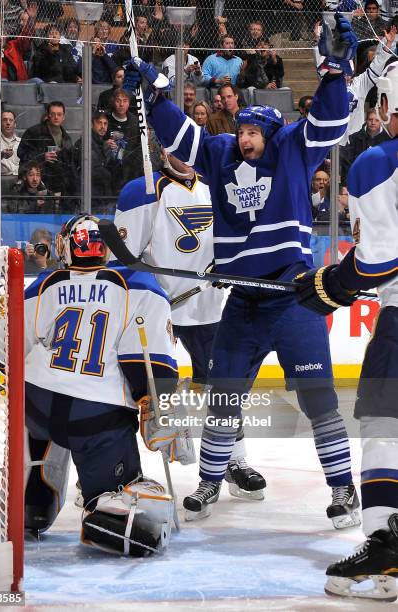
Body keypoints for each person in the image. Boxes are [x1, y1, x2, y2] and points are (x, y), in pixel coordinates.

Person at [123, 13, 361, 526]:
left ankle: (344, 490)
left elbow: (328, 120)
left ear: (271, 135)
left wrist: (335, 72)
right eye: (244, 130)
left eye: (254, 132)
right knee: (224, 398)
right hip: (244, 305)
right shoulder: (221, 155)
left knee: (318, 399)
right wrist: (156, 96)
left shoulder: (293, 150)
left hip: (293, 299)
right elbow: (182, 139)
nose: (245, 137)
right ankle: (210, 483)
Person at [295, 61, 398, 602]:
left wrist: (331, 284)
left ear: (385, 106)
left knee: (385, 428)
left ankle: (386, 550)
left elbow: (380, 262)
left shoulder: (378, 162)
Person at [113, 148, 267, 503]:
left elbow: (236, 237)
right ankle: (112, 468)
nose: (185, 157)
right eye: (175, 150)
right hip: (152, 313)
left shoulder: (215, 187)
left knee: (224, 388)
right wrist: (148, 291)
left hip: (207, 308)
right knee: (130, 390)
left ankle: (233, 460)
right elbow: (120, 260)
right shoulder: (142, 191)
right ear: (162, 150)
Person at [23, 214, 178, 555]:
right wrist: (157, 404)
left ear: (66, 246)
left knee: (36, 438)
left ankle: (31, 506)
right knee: (131, 516)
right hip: (96, 417)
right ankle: (106, 512)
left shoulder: (43, 284)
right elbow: (146, 363)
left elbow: (3, 347)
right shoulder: (139, 285)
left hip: (36, 405)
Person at [17, 101, 76, 200]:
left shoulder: (66, 138)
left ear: (64, 117)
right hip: (39, 183)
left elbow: (70, 163)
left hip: (60, 184)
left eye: (59, 114)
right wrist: (42, 157)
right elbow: (21, 152)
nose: (56, 117)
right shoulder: (34, 132)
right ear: (48, 115)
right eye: (53, 114)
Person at [73, 110, 115, 211]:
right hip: (91, 198)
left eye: (105, 123)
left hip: (101, 197)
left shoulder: (101, 143)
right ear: (92, 124)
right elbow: (95, 170)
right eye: (99, 123)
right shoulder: (86, 143)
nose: (103, 126)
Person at [340, 108, 390, 184]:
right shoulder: (353, 138)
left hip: (382, 186)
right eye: (370, 119)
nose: (373, 122)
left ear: (381, 122)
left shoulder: (389, 140)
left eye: (377, 120)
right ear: (366, 120)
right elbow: (347, 164)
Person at [1, 110, 21, 176]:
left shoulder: (21, 142)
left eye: (11, 120)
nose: (8, 123)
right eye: (4, 120)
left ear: (15, 124)